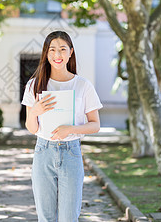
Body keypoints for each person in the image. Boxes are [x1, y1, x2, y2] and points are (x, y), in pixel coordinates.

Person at [21, 30, 103, 222]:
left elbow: (95, 125)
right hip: (43, 152)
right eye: (52, 50)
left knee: (69, 218)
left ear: (70, 52)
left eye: (62, 49)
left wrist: (70, 129)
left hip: (71, 153)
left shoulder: (83, 85)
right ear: (46, 54)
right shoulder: (34, 85)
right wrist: (35, 111)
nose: (57, 55)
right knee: (46, 217)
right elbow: (32, 128)